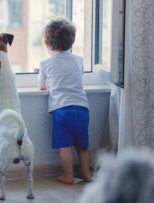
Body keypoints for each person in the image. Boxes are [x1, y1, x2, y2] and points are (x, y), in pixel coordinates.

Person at [38, 18, 92, 184]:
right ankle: (86, 173)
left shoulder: (45, 63)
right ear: (72, 41)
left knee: (65, 145)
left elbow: (42, 87)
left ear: (47, 44)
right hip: (82, 108)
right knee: (83, 145)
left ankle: (68, 176)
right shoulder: (79, 60)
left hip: (61, 109)